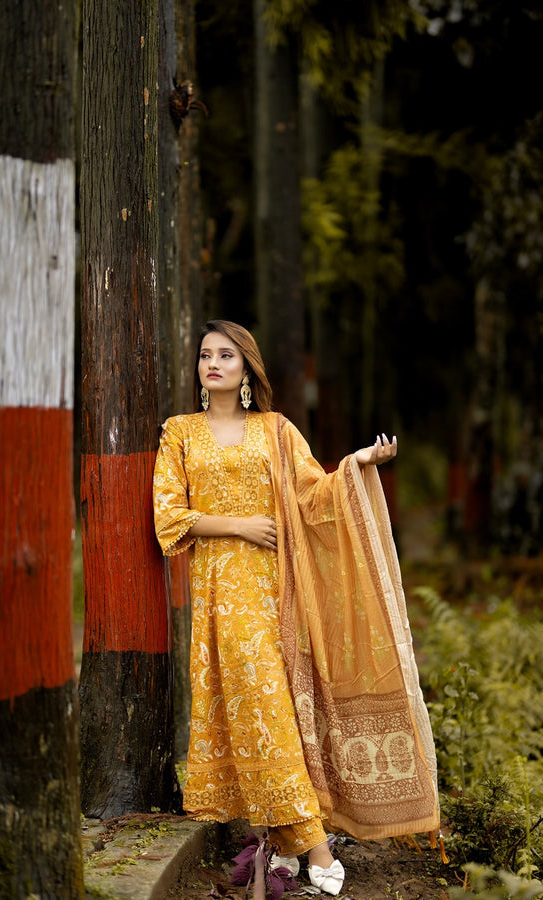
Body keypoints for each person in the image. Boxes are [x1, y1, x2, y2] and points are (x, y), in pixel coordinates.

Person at [153, 320, 439, 896]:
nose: (213, 364)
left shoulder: (277, 431)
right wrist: (240, 525)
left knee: (282, 713)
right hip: (222, 596)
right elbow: (171, 518)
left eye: (226, 355)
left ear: (246, 368)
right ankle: (315, 846)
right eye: (206, 355)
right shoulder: (179, 433)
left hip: (280, 591)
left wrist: (356, 466)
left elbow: (313, 496)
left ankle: (282, 842)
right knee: (258, 707)